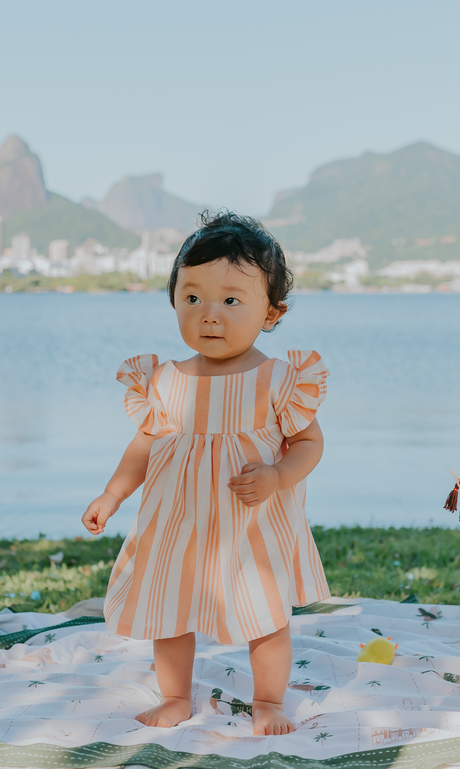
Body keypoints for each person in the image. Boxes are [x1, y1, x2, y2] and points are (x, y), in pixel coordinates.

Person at [82, 211, 331, 736]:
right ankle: (175, 695)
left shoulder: (277, 380)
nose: (209, 316)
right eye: (192, 297)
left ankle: (268, 701)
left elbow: (310, 444)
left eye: (231, 301)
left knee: (266, 615)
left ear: (271, 313)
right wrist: (112, 494)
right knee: (170, 610)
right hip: (177, 524)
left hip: (251, 526)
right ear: (174, 300)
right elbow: (144, 446)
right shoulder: (165, 381)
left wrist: (277, 475)